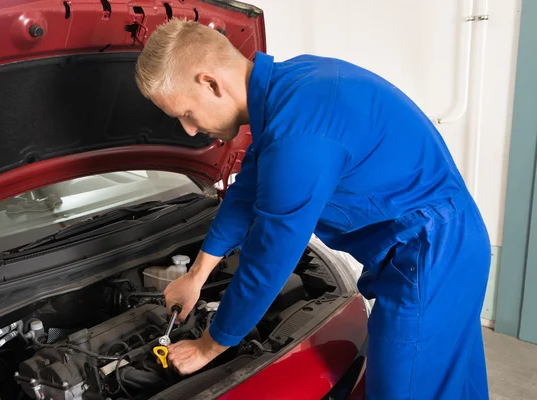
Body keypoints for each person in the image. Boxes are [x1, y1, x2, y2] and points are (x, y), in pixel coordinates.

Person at [134, 18, 491, 399]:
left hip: (430, 258)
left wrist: (209, 346)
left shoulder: (298, 136)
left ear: (210, 83)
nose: (189, 130)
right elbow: (244, 195)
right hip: (448, 243)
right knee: (454, 385)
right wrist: (197, 275)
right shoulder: (291, 88)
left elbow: (268, 259)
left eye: (185, 114)